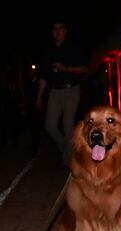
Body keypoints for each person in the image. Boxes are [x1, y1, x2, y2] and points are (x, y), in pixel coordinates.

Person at [35, 20, 89, 167]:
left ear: (65, 31)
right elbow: (44, 76)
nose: (57, 32)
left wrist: (66, 68)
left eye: (60, 29)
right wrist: (39, 97)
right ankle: (68, 150)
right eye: (54, 29)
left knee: (67, 126)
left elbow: (85, 69)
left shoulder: (74, 48)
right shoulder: (48, 50)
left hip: (71, 90)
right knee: (49, 126)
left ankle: (67, 161)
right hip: (54, 91)